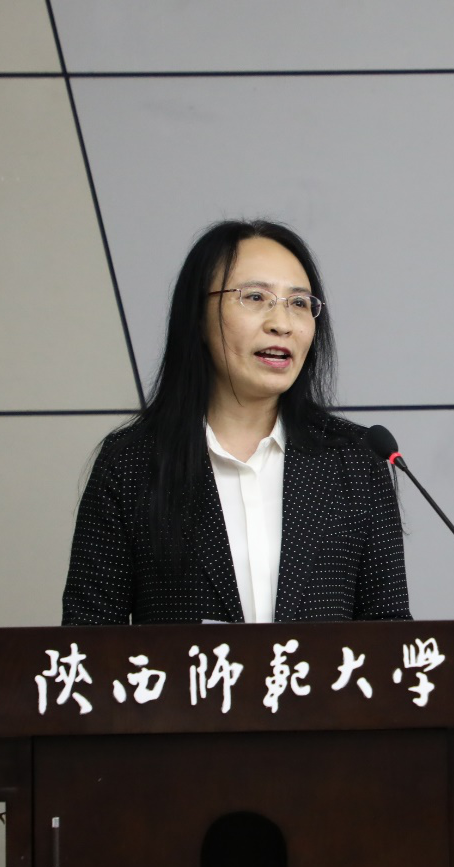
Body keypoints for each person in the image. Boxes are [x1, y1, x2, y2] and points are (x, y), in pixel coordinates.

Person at [62, 220, 411, 625]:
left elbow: (390, 633)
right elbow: (87, 635)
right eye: (256, 297)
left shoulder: (357, 461)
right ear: (198, 316)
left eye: (299, 303)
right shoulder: (131, 464)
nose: (282, 323)